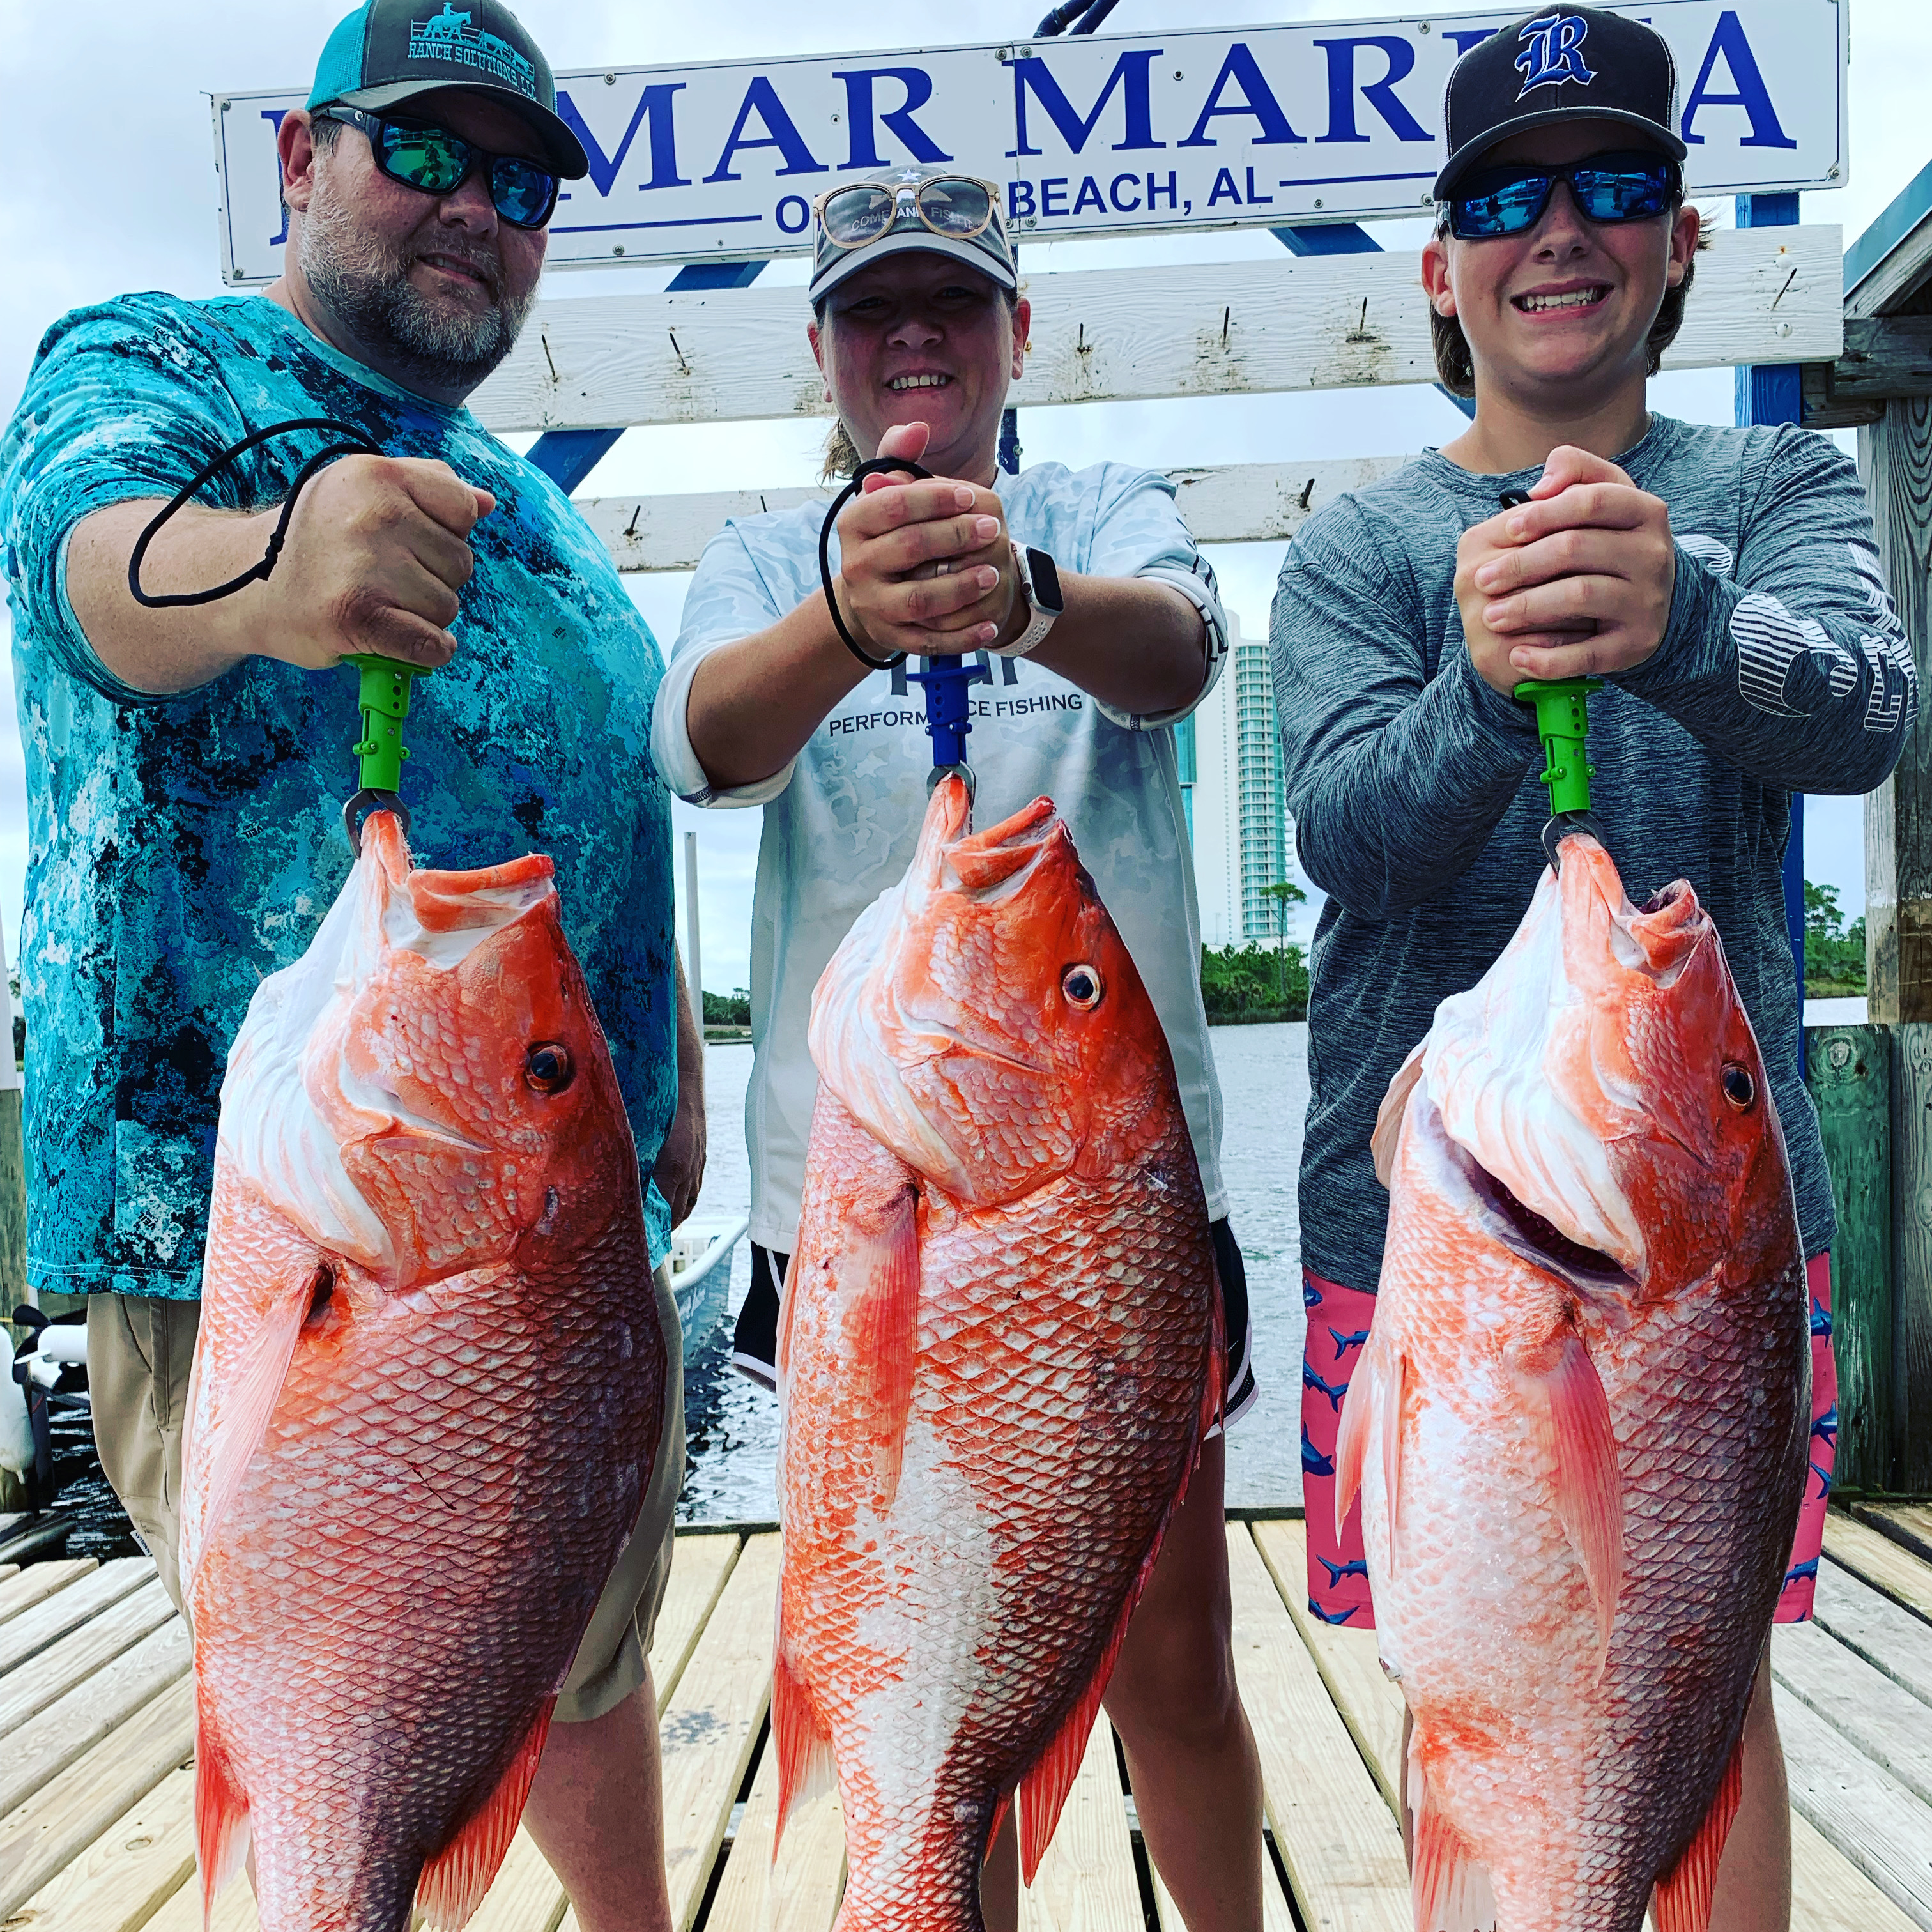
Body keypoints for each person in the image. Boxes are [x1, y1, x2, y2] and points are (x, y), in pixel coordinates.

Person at [0, 5, 703, 1928]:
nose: (478, 206)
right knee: (343, 1725)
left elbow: (611, 832)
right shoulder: (158, 369)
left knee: (582, 1658)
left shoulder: (549, 531)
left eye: (523, 180)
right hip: (272, 1241)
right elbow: (82, 565)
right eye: (425, 152)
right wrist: (267, 572)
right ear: (304, 155)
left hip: (564, 1247)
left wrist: (673, 1078)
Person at [1271, 8, 1916, 1928]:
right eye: (1507, 198)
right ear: (1442, 264)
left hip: (1706, 1264)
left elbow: (1870, 708)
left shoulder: (1774, 498)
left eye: (1616, 185)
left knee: (1707, 1709)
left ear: (1685, 239)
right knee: (1458, 1695)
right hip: (1410, 1246)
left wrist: (1689, 622)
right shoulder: (1362, 544)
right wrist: (1485, 693)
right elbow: (1346, 833)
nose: (1562, 233)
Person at [650, 167, 1265, 1931]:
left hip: (1115, 1220)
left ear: (1019, 334)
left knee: (1173, 1659)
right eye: (870, 311)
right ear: (827, 356)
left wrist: (1036, 596)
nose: (911, 334)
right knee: (921, 1656)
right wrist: (846, 623)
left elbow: (1186, 655)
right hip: (857, 1224)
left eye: (951, 304)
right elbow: (704, 749)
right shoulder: (772, 559)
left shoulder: (1096, 506)